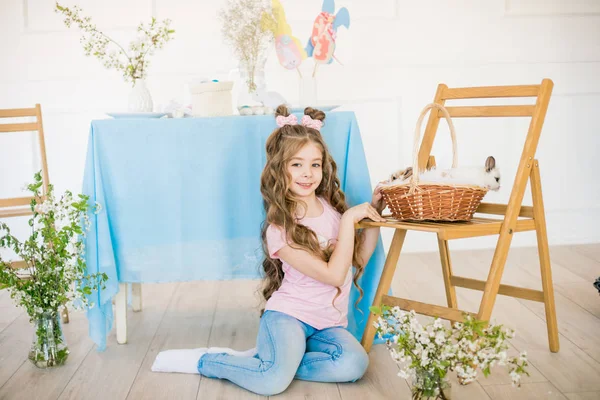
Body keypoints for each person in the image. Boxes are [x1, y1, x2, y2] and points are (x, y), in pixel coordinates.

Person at [151, 105, 386, 396]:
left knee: (353, 365)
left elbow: (358, 259)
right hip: (290, 316)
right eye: (296, 164)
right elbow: (335, 275)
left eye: (315, 164)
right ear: (280, 168)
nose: (307, 173)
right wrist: (352, 218)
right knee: (272, 382)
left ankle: (273, 361)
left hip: (328, 325)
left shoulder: (330, 208)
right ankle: (208, 361)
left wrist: (375, 212)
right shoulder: (280, 229)